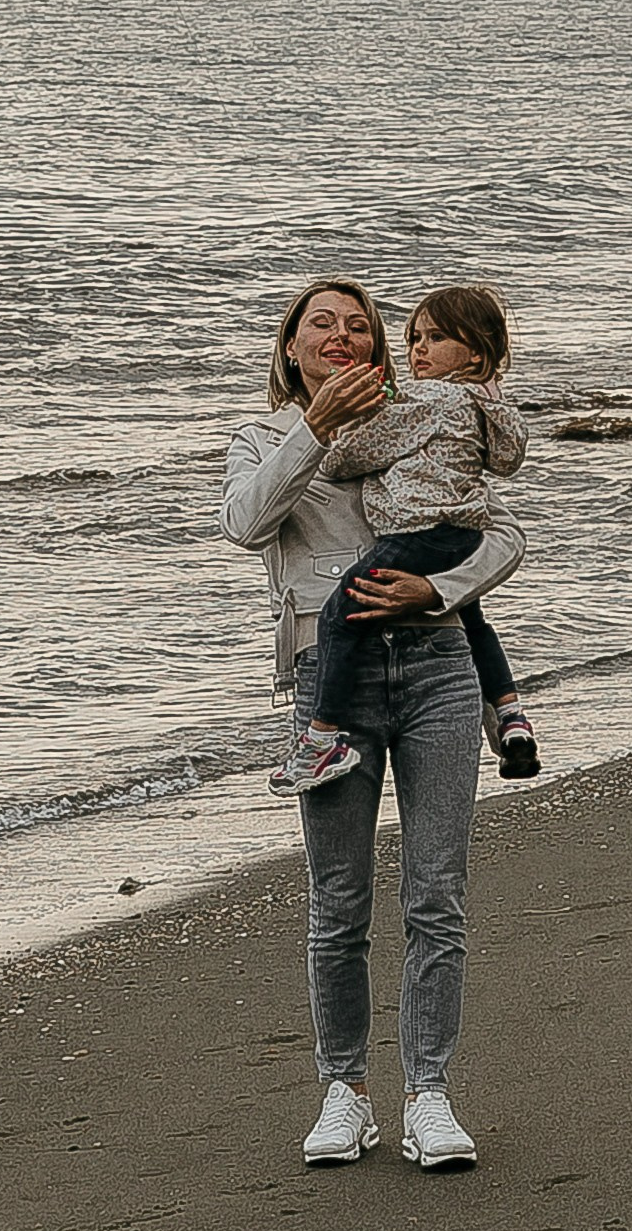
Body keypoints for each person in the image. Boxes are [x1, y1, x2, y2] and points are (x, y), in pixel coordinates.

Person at [222, 281, 526, 1172]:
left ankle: (429, 1094)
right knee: (339, 902)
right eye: (324, 323)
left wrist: (439, 588)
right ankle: (344, 1092)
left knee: (436, 892)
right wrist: (315, 428)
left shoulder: (423, 416)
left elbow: (500, 530)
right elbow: (245, 522)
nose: (343, 334)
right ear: (291, 347)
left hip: (436, 664)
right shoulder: (265, 439)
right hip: (333, 678)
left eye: (361, 326)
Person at [282, 283, 540, 793]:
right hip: (461, 533)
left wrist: (336, 427)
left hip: (416, 532)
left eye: (436, 337)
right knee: (474, 621)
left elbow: (342, 461)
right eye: (415, 337)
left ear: (476, 350)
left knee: (341, 613)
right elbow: (508, 460)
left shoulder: (426, 398)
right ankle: (510, 715)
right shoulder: (486, 402)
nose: (419, 349)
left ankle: (321, 736)